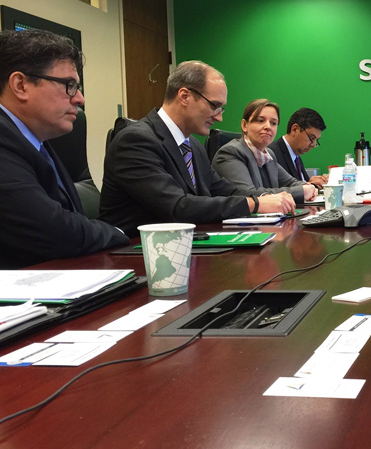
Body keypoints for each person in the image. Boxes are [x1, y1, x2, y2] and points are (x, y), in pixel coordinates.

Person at [100, 61, 294, 236]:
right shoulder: (136, 141)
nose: (219, 117)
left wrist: (268, 198)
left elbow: (225, 191)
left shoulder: (193, 145)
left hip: (185, 245)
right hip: (136, 253)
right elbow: (178, 206)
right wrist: (255, 204)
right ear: (184, 96)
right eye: (214, 106)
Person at [0, 29, 128, 269]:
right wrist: (117, 232)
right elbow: (51, 231)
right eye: (69, 85)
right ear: (21, 85)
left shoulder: (38, 141)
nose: (80, 99)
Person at [212, 99, 317, 204]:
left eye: (273, 123)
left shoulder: (268, 154)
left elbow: (291, 182)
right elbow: (246, 194)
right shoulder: (231, 152)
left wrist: (308, 187)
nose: (268, 127)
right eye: (260, 120)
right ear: (244, 125)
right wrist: (301, 191)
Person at [269, 107, 328, 188]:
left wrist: (312, 183)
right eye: (311, 138)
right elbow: (276, 191)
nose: (313, 145)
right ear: (295, 129)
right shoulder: (272, 154)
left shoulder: (296, 157)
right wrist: (308, 185)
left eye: (316, 140)